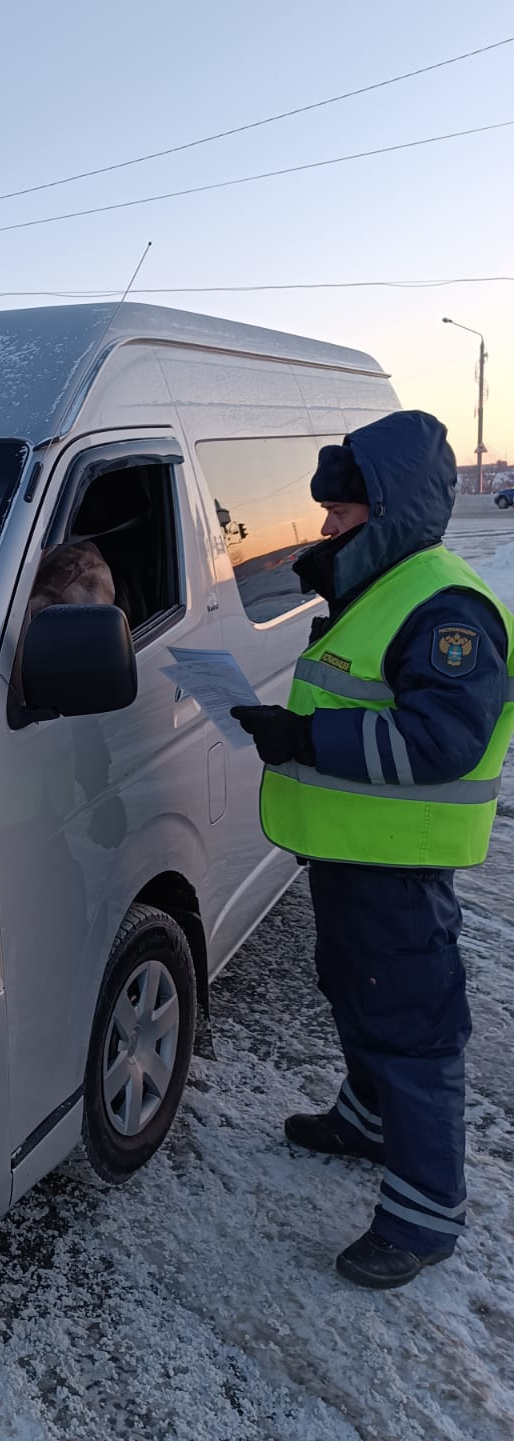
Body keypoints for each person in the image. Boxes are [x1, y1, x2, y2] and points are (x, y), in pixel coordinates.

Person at [230, 410, 514, 1290]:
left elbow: (441, 743)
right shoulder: (380, 587)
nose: (324, 529)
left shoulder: (447, 606)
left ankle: (425, 1217)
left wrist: (307, 741)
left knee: (414, 1031)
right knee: (354, 990)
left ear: (383, 511)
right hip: (353, 852)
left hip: (399, 863)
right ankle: (366, 1119)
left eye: (340, 515)